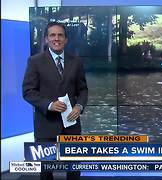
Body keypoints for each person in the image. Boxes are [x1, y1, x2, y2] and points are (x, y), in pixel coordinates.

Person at [22, 22, 88, 180]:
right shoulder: (35, 61)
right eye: (52, 35)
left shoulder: (76, 61)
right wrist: (49, 105)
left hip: (71, 124)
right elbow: (28, 91)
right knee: (46, 171)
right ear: (46, 39)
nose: (56, 38)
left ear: (66, 39)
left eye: (60, 35)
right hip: (46, 125)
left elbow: (83, 90)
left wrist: (79, 106)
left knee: (73, 170)